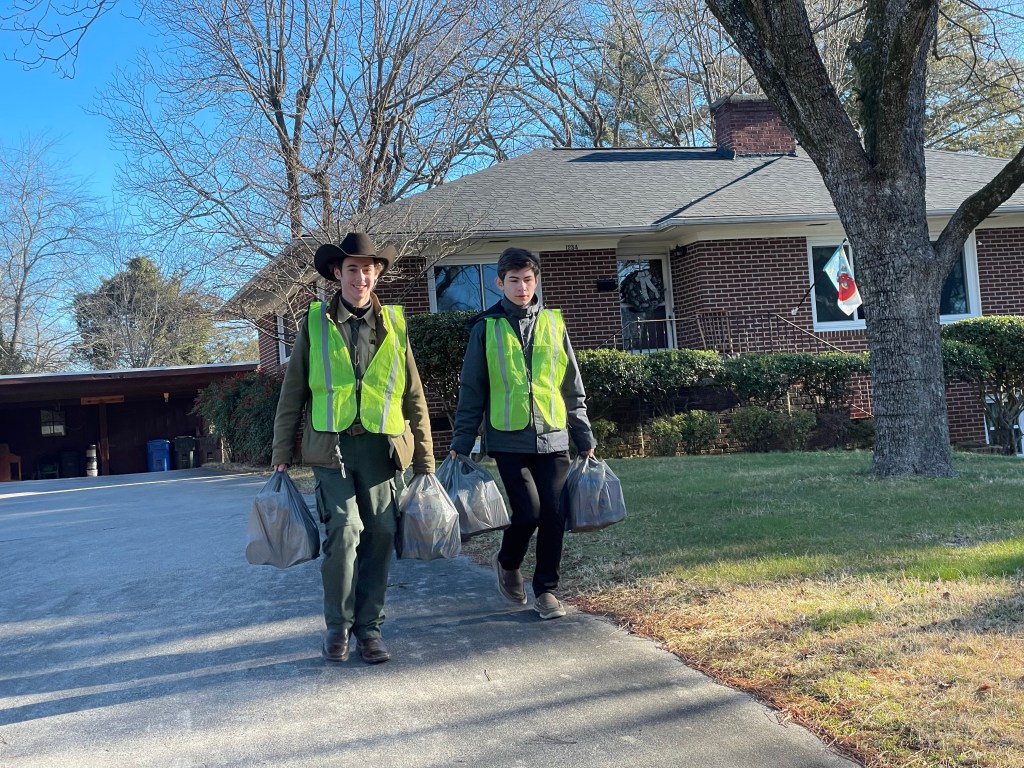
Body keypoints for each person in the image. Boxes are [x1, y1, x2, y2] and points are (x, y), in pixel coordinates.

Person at [271, 231, 434, 664]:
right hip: (333, 450)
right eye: (352, 269)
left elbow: (413, 394)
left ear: (377, 274)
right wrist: (281, 452)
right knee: (344, 532)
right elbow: (293, 392)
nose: (360, 277)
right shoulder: (314, 324)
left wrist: (425, 457)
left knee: (381, 535)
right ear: (336, 274)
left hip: (382, 450)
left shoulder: (395, 325)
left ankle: (370, 630)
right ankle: (337, 626)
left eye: (368, 269)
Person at [449, 246, 596, 620]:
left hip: (553, 434)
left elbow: (571, 384)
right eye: (513, 280)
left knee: (554, 514)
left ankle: (546, 591)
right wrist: (461, 442)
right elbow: (472, 389)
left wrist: (584, 435)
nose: (522, 287)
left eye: (528, 280)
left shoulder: (553, 324)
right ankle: (508, 562)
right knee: (528, 512)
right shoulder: (485, 328)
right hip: (508, 438)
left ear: (536, 281)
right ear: (500, 283)